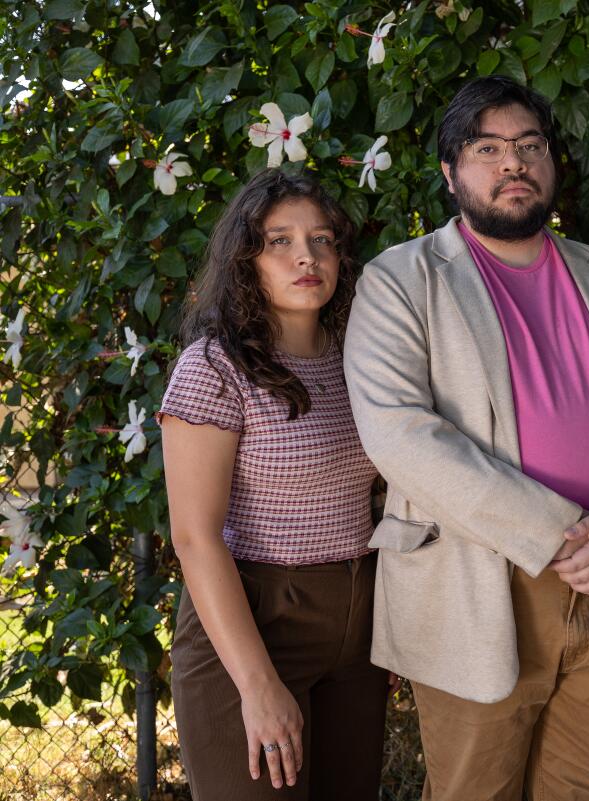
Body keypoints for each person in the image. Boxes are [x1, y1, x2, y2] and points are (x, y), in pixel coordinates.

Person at [343, 76, 589, 801]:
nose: (513, 163)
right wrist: (556, 533)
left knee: (585, 787)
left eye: (529, 146)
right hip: (475, 583)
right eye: (487, 148)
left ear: (552, 162)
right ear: (449, 173)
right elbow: (400, 435)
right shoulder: (400, 281)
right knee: (474, 791)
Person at [159, 169, 388, 800]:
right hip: (255, 624)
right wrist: (258, 686)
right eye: (279, 240)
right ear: (244, 260)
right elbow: (194, 537)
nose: (306, 256)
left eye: (322, 239)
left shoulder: (358, 359)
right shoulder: (213, 367)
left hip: (358, 626)